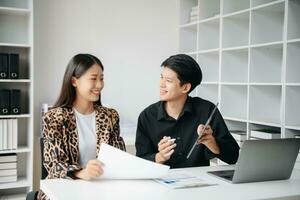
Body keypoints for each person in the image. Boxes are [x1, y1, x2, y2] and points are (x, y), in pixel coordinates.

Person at [38, 54, 125, 200]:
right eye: (93, 78)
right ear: (74, 81)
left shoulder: (110, 116)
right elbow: (54, 164)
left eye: (101, 78)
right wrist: (81, 172)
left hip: (102, 189)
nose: (99, 85)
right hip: (66, 188)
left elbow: (119, 158)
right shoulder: (55, 118)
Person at [135, 54, 239, 168]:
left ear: (185, 88)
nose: (161, 84)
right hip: (161, 181)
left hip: (200, 182)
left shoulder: (207, 110)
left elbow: (234, 157)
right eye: (161, 77)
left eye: (168, 81)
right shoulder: (147, 116)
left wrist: (212, 143)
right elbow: (139, 163)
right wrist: (160, 157)